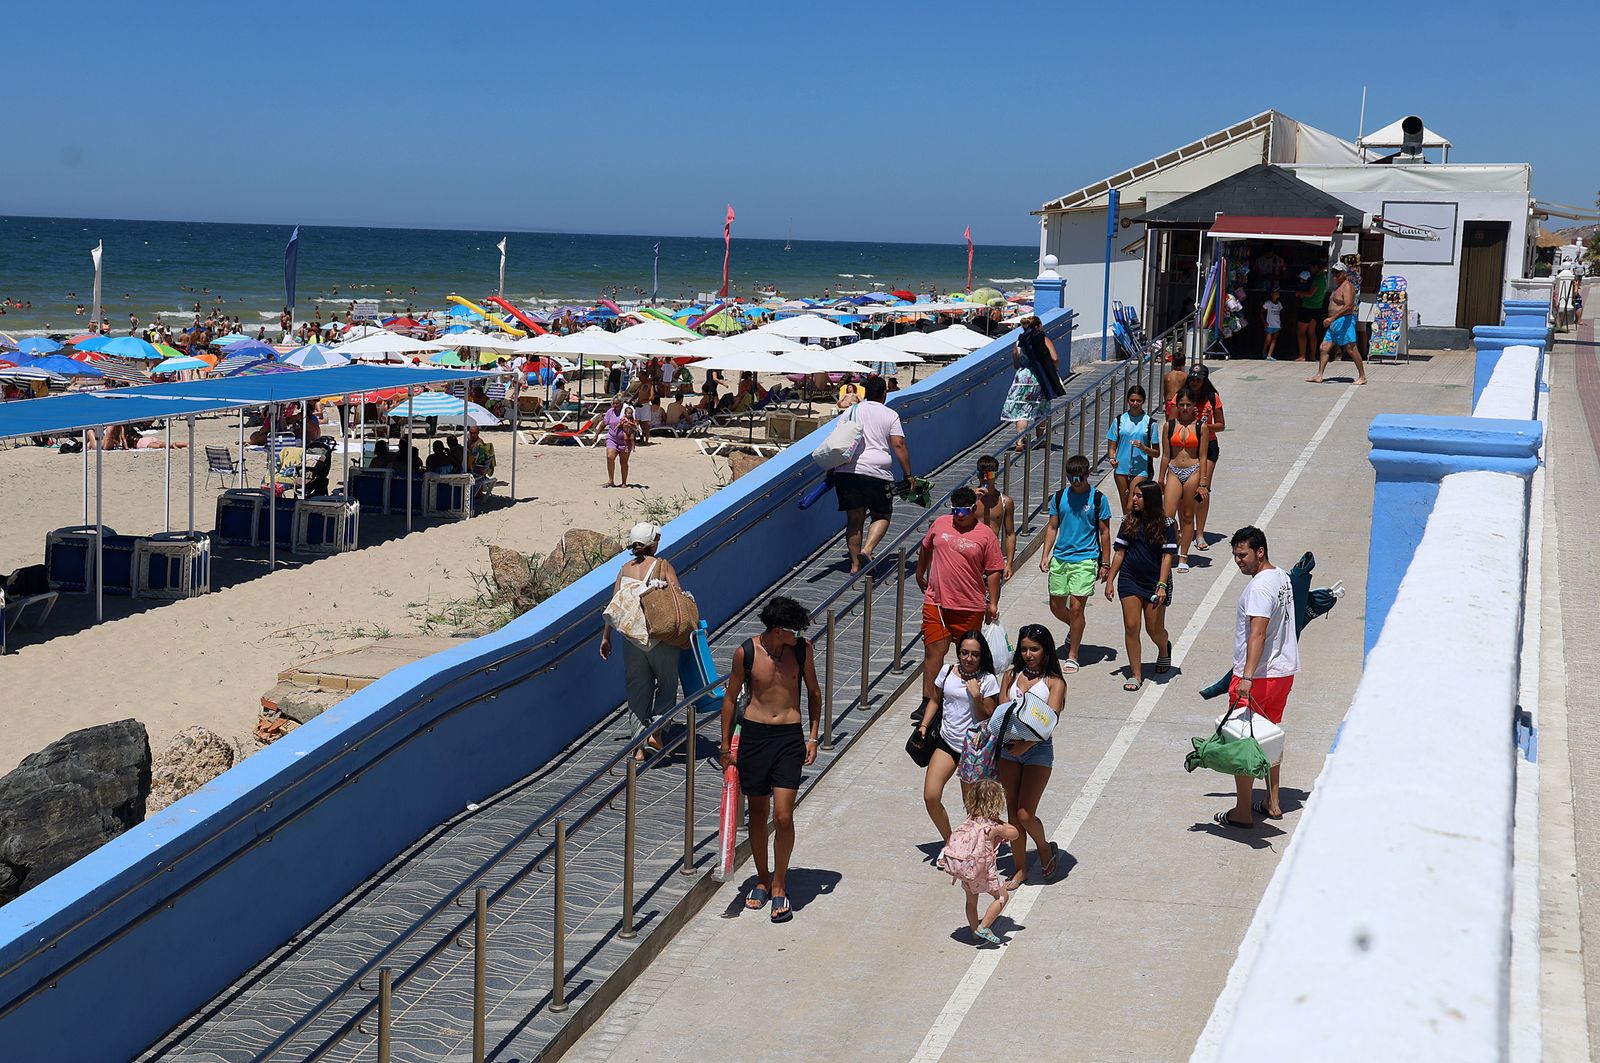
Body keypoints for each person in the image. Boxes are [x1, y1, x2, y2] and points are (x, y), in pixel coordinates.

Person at [720, 596, 823, 923]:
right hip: (754, 737)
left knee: (782, 815)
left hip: (789, 738)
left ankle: (780, 883)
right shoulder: (746, 653)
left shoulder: (801, 650)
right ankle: (762, 878)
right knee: (759, 813)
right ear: (778, 630)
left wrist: (813, 735)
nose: (800, 634)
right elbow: (730, 698)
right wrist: (725, 747)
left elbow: (814, 692)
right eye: (794, 630)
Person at [1216, 526, 1299, 828]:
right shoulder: (1282, 577)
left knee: (1243, 742)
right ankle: (1273, 801)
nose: (1238, 561)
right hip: (1282, 673)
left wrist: (1247, 677)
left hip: (1258, 677)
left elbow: (1258, 634)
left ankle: (1241, 810)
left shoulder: (1260, 588)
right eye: (1235, 555)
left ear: (1259, 552)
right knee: (1269, 737)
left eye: (1242, 555)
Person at [915, 486, 1003, 718]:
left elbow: (994, 570)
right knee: (934, 652)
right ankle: (928, 701)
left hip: (969, 606)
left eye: (964, 510)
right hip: (937, 602)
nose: (959, 515)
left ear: (974, 509)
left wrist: (992, 603)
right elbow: (926, 548)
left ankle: (969, 697)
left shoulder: (986, 535)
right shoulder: (940, 524)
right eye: (955, 510)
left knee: (968, 657)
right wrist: (919, 573)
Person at [599, 523, 684, 761]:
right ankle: (656, 733)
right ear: (652, 542)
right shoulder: (663, 565)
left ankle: (639, 748)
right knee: (667, 687)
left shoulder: (624, 568)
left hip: (631, 641)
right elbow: (678, 595)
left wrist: (606, 637)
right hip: (660, 638)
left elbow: (614, 605)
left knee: (637, 693)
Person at [993, 624, 1065, 887]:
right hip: (1008, 749)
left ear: (1045, 651)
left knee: (1025, 814)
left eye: (1034, 649)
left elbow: (1051, 721)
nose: (1028, 654)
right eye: (1024, 649)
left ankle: (1044, 848)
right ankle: (1020, 868)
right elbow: (1002, 709)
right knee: (1012, 814)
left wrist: (1026, 745)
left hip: (1038, 751)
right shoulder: (1011, 675)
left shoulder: (1054, 682)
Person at [916, 629, 1000, 848]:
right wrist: (924, 724)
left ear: (982, 656)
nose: (968, 658)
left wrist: (976, 696)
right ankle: (950, 842)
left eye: (974, 654)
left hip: (973, 748)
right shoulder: (946, 671)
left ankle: (976, 847)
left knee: (973, 807)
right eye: (964, 653)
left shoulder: (988, 680)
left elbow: (989, 717)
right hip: (947, 743)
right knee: (931, 796)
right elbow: (935, 700)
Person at [1040, 455, 1111, 673]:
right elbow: (1052, 527)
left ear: (1087, 475)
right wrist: (1045, 554)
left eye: (1080, 477)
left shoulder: (1098, 499)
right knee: (1056, 606)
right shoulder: (1060, 497)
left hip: (1086, 558)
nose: (1076, 481)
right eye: (1072, 477)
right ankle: (1075, 625)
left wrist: (1105, 563)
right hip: (1061, 557)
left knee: (1077, 607)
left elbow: (1105, 532)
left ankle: (1073, 655)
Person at [835, 376, 913, 574]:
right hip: (876, 472)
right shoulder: (890, 414)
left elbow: (838, 439)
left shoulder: (851, 411)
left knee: (854, 519)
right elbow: (898, 444)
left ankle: (854, 566)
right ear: (884, 393)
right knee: (882, 515)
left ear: (865, 393)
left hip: (846, 471)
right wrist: (908, 474)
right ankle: (867, 550)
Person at [1103, 481, 1175, 690]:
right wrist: (1110, 580)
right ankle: (1135, 674)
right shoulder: (1129, 521)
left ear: (1150, 499)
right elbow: (1119, 552)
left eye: (1138, 496)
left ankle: (1163, 648)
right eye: (1133, 495)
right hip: (1130, 579)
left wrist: (1161, 585)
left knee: (1154, 629)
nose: (1133, 499)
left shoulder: (1168, 524)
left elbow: (1167, 556)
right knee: (1132, 626)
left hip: (1155, 583)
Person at [943, 777, 1019, 946]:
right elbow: (1014, 833)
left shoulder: (970, 820)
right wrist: (1000, 822)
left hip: (967, 870)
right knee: (1001, 897)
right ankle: (983, 927)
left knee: (971, 901)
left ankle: (974, 931)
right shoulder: (992, 827)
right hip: (983, 872)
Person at [1160, 387, 1212, 572]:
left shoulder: (1201, 427)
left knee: (1188, 515)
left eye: (1188, 405)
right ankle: (1169, 548)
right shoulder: (1169, 425)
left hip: (1193, 470)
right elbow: (1166, 454)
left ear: (1193, 406)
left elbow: (1203, 456)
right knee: (1167, 516)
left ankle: (1183, 556)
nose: (1184, 408)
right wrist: (1160, 478)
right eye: (1181, 404)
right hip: (1173, 470)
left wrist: (1203, 483)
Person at [1183, 365, 1225, 548]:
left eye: (1198, 379)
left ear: (1205, 380)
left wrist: (1206, 427)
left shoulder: (1212, 397)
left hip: (1208, 446)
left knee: (1203, 488)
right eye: (1192, 378)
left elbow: (1222, 424)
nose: (1195, 382)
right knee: (1186, 489)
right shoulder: (1183, 396)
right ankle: (1186, 528)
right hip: (1188, 445)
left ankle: (1199, 533)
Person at [1310, 262, 1367, 386]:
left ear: (1344, 273)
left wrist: (1332, 318)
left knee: (1351, 349)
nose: (1335, 275)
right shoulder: (1338, 287)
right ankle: (1319, 375)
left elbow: (1348, 306)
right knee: (1324, 347)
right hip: (1334, 323)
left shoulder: (1348, 286)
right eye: (1333, 272)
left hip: (1344, 321)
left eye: (1338, 272)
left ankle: (1362, 376)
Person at [1105, 384, 1159, 512]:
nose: (1135, 403)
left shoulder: (1150, 423)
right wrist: (1112, 459)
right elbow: (1112, 447)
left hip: (1141, 469)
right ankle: (1129, 530)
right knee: (1125, 508)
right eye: (1132, 400)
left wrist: (1143, 447)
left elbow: (1156, 453)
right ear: (1128, 400)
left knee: (1132, 505)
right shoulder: (1119, 420)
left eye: (1138, 401)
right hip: (1121, 469)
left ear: (1143, 402)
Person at [1000, 324, 1048, 450]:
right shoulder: (1042, 340)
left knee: (1022, 410)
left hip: (1022, 377)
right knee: (1040, 407)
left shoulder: (1018, 343)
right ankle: (1040, 439)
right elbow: (1053, 358)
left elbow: (1016, 364)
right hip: (1039, 376)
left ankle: (1019, 442)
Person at [972, 455, 1015, 581]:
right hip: (970, 553)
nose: (985, 479)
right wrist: (972, 501)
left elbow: (1010, 533)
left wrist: (1009, 564)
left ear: (995, 475)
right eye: (982, 475)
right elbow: (954, 522)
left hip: (992, 555)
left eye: (989, 475)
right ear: (977, 475)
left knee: (992, 599)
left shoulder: (1005, 502)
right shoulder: (968, 499)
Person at [595, 396, 637, 488]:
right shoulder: (610, 412)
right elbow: (603, 424)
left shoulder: (628, 411)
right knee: (610, 457)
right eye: (613, 403)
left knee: (623, 462)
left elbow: (636, 426)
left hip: (626, 441)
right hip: (612, 439)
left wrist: (630, 427)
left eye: (617, 403)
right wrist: (596, 434)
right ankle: (611, 480)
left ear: (621, 403)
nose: (615, 405)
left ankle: (624, 482)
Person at [1294, 265, 1327, 362]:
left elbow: (1310, 294)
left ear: (1316, 267)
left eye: (1312, 268)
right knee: (1311, 332)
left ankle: (1302, 355)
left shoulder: (1317, 279)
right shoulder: (1324, 278)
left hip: (1308, 307)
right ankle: (1312, 356)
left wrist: (1299, 294)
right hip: (1317, 308)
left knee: (1301, 332)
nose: (1310, 269)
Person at [1261, 288, 1284, 360]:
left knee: (1274, 340)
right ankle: (1264, 350)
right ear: (1272, 294)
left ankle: (1269, 355)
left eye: (1278, 292)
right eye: (1275, 292)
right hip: (1269, 324)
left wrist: (1281, 323)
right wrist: (1264, 322)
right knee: (1268, 339)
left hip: (1277, 324)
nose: (1277, 294)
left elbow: (1281, 314)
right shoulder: (1268, 303)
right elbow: (1261, 312)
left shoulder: (1279, 304)